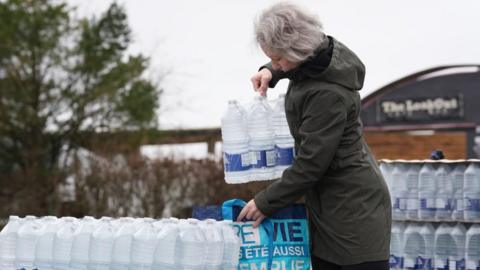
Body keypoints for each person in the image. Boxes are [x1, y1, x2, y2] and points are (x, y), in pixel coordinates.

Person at [236, 2, 392, 270]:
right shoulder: (319, 60)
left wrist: (265, 202)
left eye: (278, 59)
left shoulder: (327, 94)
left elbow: (311, 165)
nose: (276, 64)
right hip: (329, 203)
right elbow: (292, 66)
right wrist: (270, 71)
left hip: (353, 211)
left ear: (298, 48)